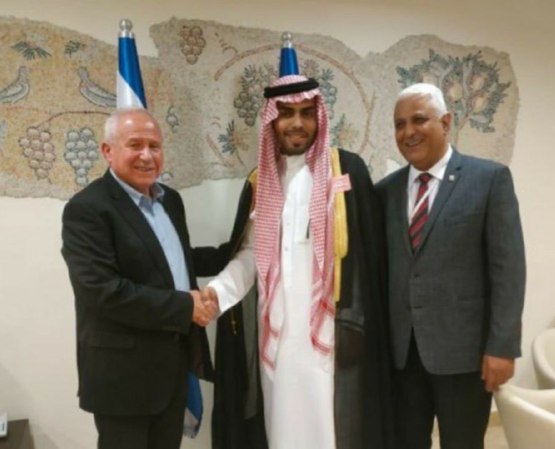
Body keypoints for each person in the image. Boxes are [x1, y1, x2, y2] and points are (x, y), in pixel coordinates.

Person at [196, 37, 393, 449]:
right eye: (286, 113)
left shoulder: (346, 168)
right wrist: (218, 291)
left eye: (306, 113)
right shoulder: (261, 182)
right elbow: (251, 253)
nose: (296, 123)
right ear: (271, 121)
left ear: (319, 117)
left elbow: (371, 257)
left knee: (333, 427)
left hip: (331, 334)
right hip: (277, 333)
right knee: (281, 426)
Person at [376, 83, 526, 449]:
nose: (408, 132)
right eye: (399, 124)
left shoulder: (489, 179)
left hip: (466, 356)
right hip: (402, 358)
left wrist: (502, 347)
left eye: (419, 120)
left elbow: (508, 270)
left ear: (445, 123)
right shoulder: (384, 192)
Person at [61, 108, 216, 449]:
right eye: (135, 145)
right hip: (123, 379)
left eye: (155, 146)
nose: (147, 156)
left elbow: (173, 259)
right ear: (108, 151)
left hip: (172, 369)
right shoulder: (87, 208)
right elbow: (101, 291)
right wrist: (185, 306)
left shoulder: (170, 200)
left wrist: (236, 250)